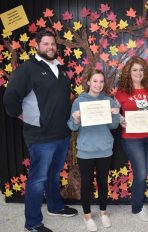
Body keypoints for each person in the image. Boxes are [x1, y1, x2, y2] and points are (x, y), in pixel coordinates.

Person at [3, 30, 78, 232]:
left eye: (52, 44)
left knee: (54, 175)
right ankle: (33, 222)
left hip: (61, 134)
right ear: (37, 45)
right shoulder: (28, 69)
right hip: (40, 137)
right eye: (45, 44)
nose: (50, 47)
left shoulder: (59, 70)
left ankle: (54, 207)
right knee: (38, 179)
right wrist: (24, 117)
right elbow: (10, 98)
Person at [67, 70, 119, 231]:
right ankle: (87, 216)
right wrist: (76, 118)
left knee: (103, 183)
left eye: (101, 81)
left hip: (104, 149)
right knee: (87, 185)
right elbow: (72, 127)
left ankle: (103, 213)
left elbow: (114, 126)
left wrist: (116, 115)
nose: (98, 85)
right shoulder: (79, 102)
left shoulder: (109, 101)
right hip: (86, 150)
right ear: (88, 82)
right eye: (95, 81)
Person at [115, 56, 148, 222]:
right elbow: (114, 113)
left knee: (143, 171)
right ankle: (136, 208)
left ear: (145, 72)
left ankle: (139, 203)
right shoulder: (121, 93)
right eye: (135, 70)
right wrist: (121, 120)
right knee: (140, 173)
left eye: (141, 70)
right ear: (129, 72)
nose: (138, 73)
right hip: (131, 139)